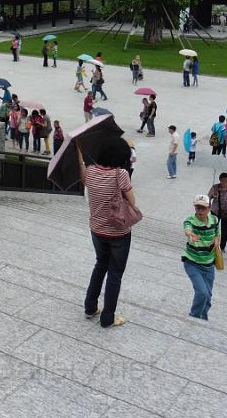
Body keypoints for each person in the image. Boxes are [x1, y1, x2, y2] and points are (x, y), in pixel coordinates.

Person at [80, 137, 138, 328]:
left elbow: (86, 183)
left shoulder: (90, 171)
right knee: (115, 274)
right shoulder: (120, 174)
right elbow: (132, 201)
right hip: (118, 232)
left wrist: (79, 153)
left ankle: (90, 307)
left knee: (100, 265)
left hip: (96, 229)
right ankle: (108, 318)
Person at [182, 194, 220, 320]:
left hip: (209, 264)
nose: (200, 211)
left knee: (208, 296)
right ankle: (194, 316)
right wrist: (190, 234)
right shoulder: (191, 220)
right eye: (198, 208)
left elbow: (217, 235)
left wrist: (216, 240)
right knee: (202, 292)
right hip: (192, 262)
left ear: (209, 208)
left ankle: (202, 318)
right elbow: (187, 228)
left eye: (203, 208)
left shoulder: (215, 220)